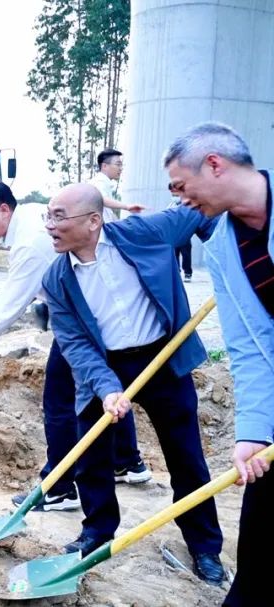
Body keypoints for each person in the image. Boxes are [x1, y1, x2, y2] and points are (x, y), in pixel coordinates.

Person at [41, 183, 224, 585]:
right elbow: (74, 342)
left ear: (93, 221)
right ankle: (97, 531)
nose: (50, 226)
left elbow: (199, 209)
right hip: (104, 365)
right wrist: (106, 388)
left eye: (58, 216)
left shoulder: (146, 232)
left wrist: (226, 246)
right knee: (90, 450)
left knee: (186, 455)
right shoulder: (56, 279)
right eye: (48, 216)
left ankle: (205, 546)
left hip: (161, 356)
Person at [0, 180, 149, 513]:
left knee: (59, 401)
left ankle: (59, 489)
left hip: (83, 324)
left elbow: (9, 308)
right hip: (101, 317)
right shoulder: (29, 214)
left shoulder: (29, 244)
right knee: (109, 390)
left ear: (3, 210)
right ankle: (128, 463)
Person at [163, 122, 273, 605]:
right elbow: (249, 345)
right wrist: (253, 430)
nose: (182, 200)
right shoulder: (223, 247)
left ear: (214, 163)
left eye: (181, 186)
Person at [87, 149, 146, 221]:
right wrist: (127, 207)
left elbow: (108, 213)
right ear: (104, 166)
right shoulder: (99, 181)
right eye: (118, 164)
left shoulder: (104, 183)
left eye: (121, 165)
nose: (120, 168)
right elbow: (101, 199)